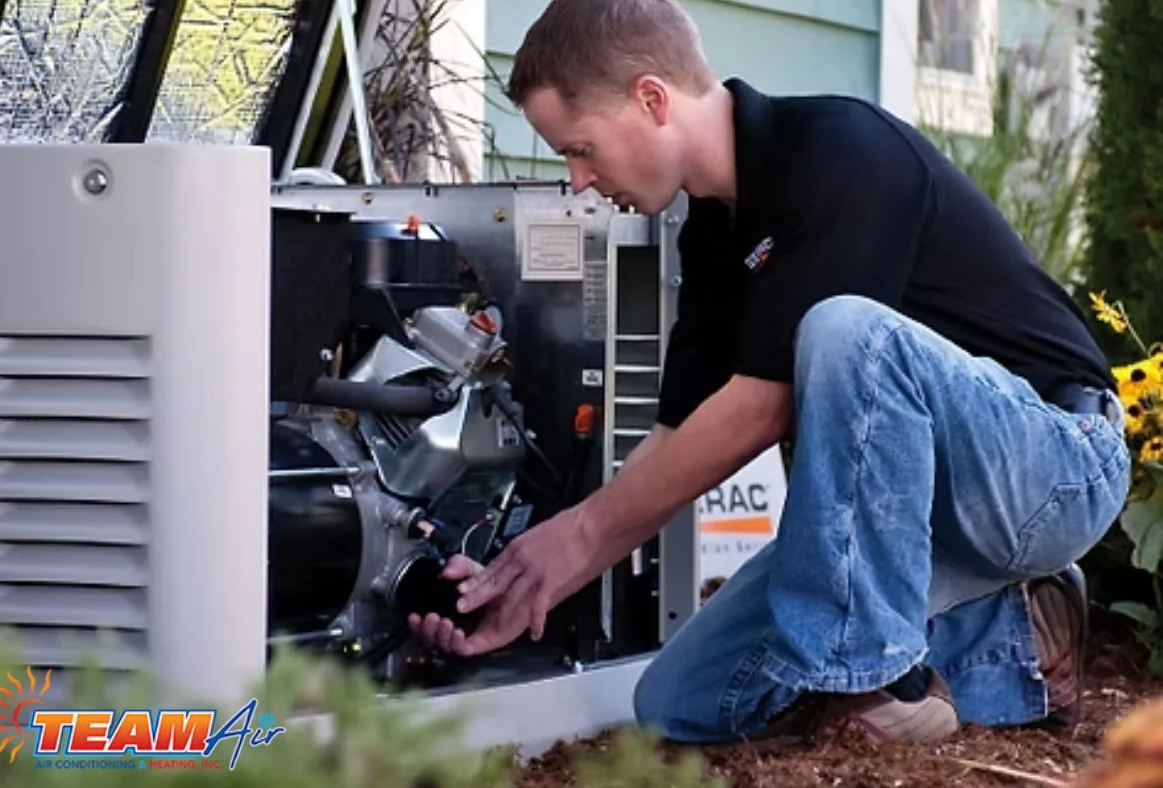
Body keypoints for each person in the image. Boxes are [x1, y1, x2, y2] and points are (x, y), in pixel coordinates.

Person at [408, 0, 1132, 745]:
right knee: (677, 701)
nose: (581, 181)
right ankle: (1017, 640)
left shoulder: (841, 151)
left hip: (1054, 465)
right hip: (909, 517)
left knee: (844, 330)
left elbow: (763, 406)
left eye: (582, 148)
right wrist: (537, 576)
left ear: (652, 100)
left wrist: (580, 535)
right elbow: (674, 437)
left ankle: (875, 690)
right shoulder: (712, 235)